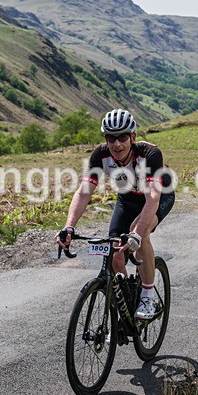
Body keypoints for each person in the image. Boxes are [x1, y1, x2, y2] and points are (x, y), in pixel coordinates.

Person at [56, 109, 175, 319]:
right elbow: (84, 193)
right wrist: (69, 226)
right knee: (115, 253)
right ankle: (127, 303)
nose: (117, 144)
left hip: (158, 197)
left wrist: (137, 234)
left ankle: (148, 296)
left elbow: (153, 198)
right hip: (127, 199)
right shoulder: (100, 155)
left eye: (122, 137)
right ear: (105, 139)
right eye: (111, 138)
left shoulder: (150, 154)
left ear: (133, 137)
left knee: (139, 232)